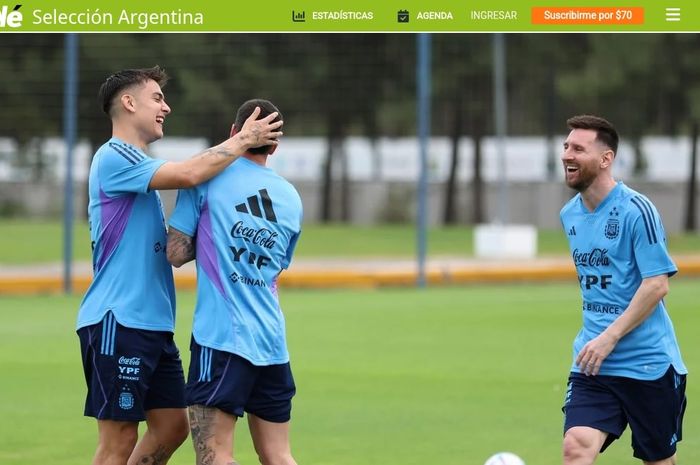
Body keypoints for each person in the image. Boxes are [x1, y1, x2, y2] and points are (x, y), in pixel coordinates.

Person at [76, 66, 283, 465]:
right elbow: (189, 174)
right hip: (118, 320)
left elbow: (176, 247)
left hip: (152, 325)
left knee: (173, 426)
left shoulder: (137, 163)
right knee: (118, 439)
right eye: (157, 98)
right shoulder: (114, 156)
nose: (166, 107)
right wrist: (243, 139)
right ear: (128, 102)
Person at [166, 98, 302, 465]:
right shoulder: (291, 197)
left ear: (234, 133)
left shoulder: (206, 177)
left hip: (222, 339)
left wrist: (213, 238)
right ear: (275, 145)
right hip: (272, 341)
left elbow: (176, 253)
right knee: (278, 454)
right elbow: (276, 265)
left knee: (215, 455)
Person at [559, 115, 687, 465]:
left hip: (649, 365)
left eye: (578, 149)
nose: (567, 154)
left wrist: (609, 337)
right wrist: (598, 340)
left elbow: (657, 285)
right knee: (576, 446)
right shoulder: (569, 214)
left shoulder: (636, 210)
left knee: (657, 460)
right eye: (566, 146)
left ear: (605, 159)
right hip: (592, 362)